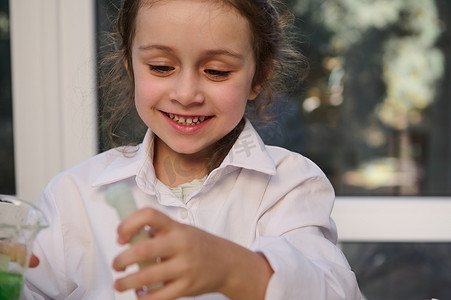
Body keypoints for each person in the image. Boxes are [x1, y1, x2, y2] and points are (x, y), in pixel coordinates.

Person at [23, 0, 361, 299]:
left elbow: (334, 290)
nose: (186, 94)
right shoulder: (73, 197)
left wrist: (231, 269)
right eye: (161, 67)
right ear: (129, 64)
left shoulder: (290, 187)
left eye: (216, 71)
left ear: (259, 76)